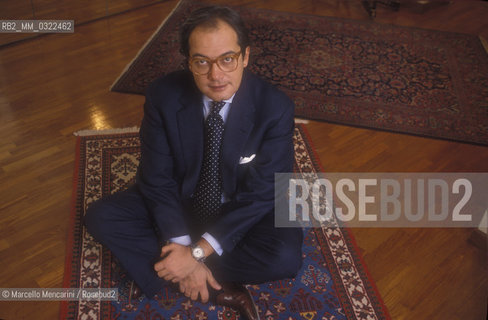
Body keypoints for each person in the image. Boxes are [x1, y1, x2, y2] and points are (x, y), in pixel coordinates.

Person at [84, 5, 303, 320]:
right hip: (180, 202)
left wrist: (196, 253)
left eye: (227, 59)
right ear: (188, 61)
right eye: (202, 62)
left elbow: (262, 194)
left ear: (245, 57)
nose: (216, 75)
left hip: (241, 208)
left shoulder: (275, 108)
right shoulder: (163, 95)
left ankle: (169, 266)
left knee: (284, 257)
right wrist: (183, 245)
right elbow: (155, 179)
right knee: (101, 217)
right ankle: (214, 285)